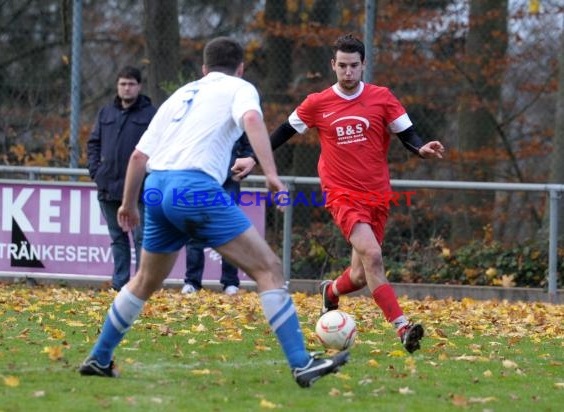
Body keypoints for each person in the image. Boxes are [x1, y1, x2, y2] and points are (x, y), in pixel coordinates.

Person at [79, 36, 348, 387]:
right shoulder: (240, 88)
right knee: (268, 268)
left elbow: (137, 157)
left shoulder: (181, 95)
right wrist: (270, 173)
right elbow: (251, 118)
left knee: (144, 281)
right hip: (194, 189)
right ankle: (301, 363)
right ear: (240, 67)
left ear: (204, 69)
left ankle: (99, 357)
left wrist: (129, 204)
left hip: (156, 190)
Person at [268, 34, 445, 354]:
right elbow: (284, 131)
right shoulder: (317, 102)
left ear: (363, 65)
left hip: (377, 194)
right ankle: (402, 327)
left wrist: (422, 149)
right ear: (333, 66)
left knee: (362, 275)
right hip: (341, 193)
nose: (348, 72)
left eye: (354, 66)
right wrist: (254, 157)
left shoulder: (382, 98)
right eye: (342, 66)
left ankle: (331, 291)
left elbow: (407, 134)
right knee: (374, 256)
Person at [87, 66, 156, 291]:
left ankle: (141, 284)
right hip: (108, 186)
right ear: (117, 86)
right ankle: (120, 283)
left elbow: (160, 146)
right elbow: (93, 143)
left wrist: (148, 175)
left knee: (140, 238)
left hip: (139, 188)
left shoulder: (150, 114)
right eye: (123, 84)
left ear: (139, 86)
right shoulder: (106, 112)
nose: (127, 88)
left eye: (131, 84)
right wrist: (96, 171)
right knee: (117, 238)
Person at [181, 134, 256, 296]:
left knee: (229, 233)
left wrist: (241, 173)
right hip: (199, 179)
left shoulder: (235, 116)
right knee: (194, 230)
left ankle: (230, 283)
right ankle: (192, 282)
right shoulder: (198, 115)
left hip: (229, 181)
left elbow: (248, 148)